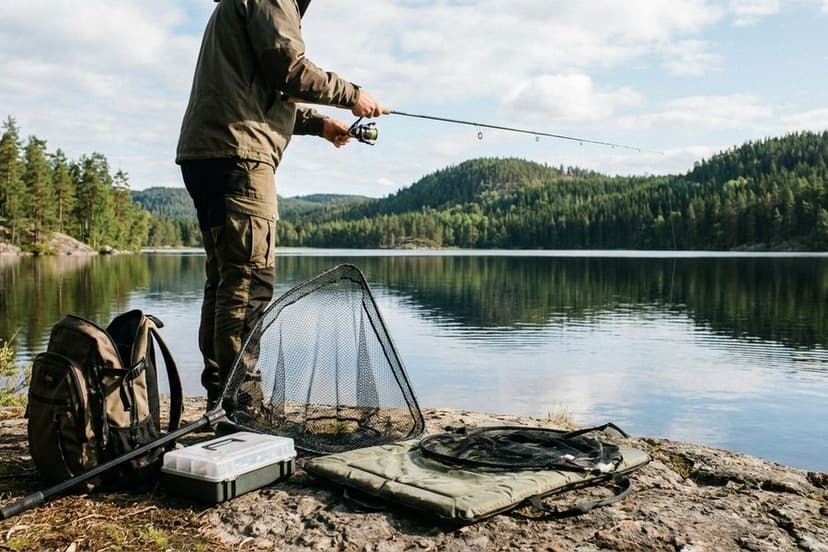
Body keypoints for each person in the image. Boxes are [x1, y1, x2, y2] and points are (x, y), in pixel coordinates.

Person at [176, 0, 385, 410]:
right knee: (250, 281)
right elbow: (290, 70)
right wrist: (353, 95)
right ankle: (242, 403)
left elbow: (261, 88)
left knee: (225, 281)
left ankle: (224, 399)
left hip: (209, 152)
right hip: (240, 154)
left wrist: (319, 124)